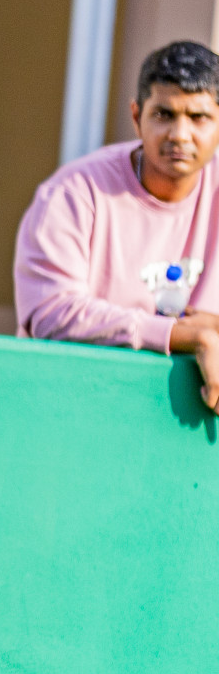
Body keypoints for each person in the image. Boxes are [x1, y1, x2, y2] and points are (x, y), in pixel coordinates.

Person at [16, 40, 219, 410]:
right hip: (71, 404)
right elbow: (50, 314)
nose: (180, 134)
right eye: (164, 114)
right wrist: (181, 334)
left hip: (192, 418)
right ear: (136, 116)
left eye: (199, 117)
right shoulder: (74, 193)